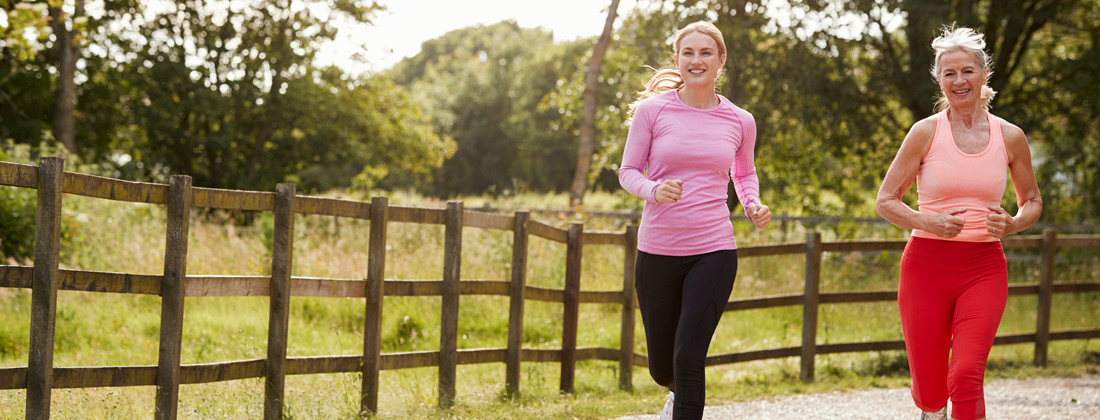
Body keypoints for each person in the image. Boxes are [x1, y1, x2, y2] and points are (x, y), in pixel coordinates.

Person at [876, 25, 1042, 420]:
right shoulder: (924, 133)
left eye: (967, 71)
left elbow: (1032, 200)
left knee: (966, 375)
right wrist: (927, 221)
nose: (959, 80)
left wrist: (1014, 224)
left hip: (983, 267)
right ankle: (931, 411)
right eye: (949, 73)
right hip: (925, 266)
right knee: (932, 392)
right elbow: (886, 201)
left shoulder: (1010, 136)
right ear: (939, 80)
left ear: (984, 74)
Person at [618, 21, 771, 420]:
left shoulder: (740, 120)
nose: (696, 60)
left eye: (706, 52)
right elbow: (628, 171)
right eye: (688, 52)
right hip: (657, 249)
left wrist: (752, 203)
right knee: (662, 367)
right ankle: (673, 396)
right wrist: (653, 189)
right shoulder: (654, 111)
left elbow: (745, 172)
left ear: (721, 60)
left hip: (714, 249)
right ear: (677, 59)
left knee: (688, 356)